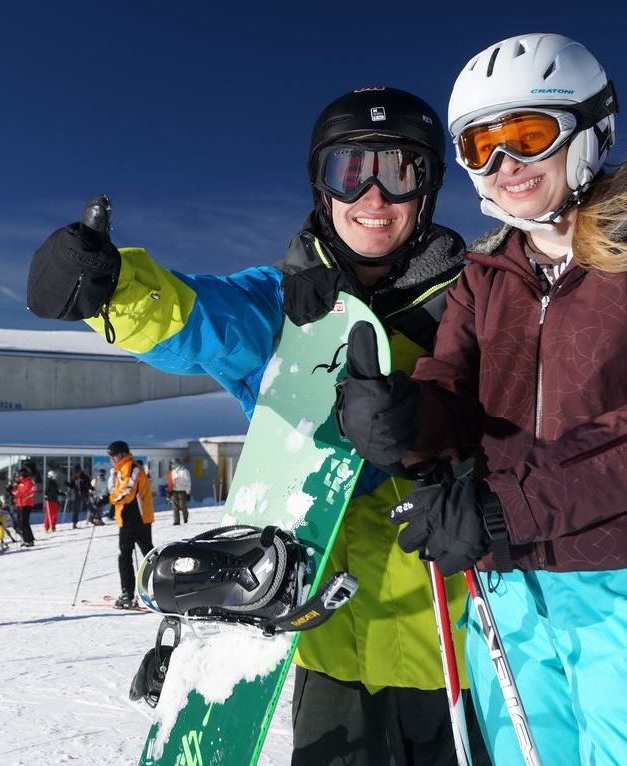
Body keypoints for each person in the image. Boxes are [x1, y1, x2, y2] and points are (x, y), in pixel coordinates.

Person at [27, 87, 490, 765]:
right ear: (320, 186)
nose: (373, 196)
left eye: (399, 172)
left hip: (461, 649)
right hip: (332, 648)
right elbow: (201, 318)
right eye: (349, 171)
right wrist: (111, 288)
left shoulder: (479, 297)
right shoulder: (281, 304)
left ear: (428, 189)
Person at [336, 33, 624, 765]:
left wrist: (505, 504)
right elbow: (451, 390)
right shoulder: (485, 273)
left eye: (527, 137)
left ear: (590, 131)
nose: (505, 166)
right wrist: (404, 420)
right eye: (480, 146)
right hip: (505, 586)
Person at [105, 441, 154, 609]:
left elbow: (127, 492)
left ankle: (128, 593)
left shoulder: (131, 468)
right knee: (147, 554)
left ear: (122, 454)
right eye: (110, 456)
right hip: (131, 518)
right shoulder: (121, 470)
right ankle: (157, 589)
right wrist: (111, 505)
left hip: (135, 519)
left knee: (130, 556)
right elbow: (119, 491)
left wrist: (107, 500)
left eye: (114, 455)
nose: (111, 458)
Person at [12, 468, 37, 547]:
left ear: (23, 475)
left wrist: (14, 491)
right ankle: (24, 539)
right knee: (20, 523)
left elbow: (22, 493)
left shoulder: (28, 482)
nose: (19, 477)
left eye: (20, 476)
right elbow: (16, 492)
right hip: (20, 504)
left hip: (26, 504)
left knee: (24, 522)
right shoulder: (21, 482)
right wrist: (13, 489)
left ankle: (29, 540)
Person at [168, 459, 191, 525]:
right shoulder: (173, 471)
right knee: (175, 507)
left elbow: (188, 481)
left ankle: (185, 518)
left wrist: (188, 491)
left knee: (182, 506)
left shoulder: (184, 471)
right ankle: (176, 521)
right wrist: (170, 489)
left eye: (173, 463)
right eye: (171, 464)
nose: (172, 465)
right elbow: (170, 481)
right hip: (174, 491)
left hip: (182, 491)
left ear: (177, 463)